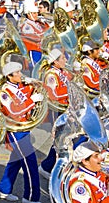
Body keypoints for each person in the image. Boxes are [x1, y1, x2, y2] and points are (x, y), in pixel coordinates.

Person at [0, 61, 44, 203]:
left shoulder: (20, 86)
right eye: (17, 73)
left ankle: (4, 190)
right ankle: (30, 198)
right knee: (30, 164)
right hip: (14, 130)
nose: (20, 75)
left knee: (15, 161)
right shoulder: (5, 91)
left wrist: (34, 83)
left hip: (24, 128)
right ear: (9, 76)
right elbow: (13, 112)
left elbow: (36, 90)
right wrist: (31, 101)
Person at [39, 48, 72, 179]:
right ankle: (46, 167)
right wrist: (71, 88)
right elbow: (55, 95)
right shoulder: (51, 75)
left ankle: (52, 165)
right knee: (59, 139)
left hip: (65, 108)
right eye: (63, 58)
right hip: (57, 109)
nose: (66, 60)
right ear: (55, 61)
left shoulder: (61, 72)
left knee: (64, 139)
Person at [69, 137, 109, 203]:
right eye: (96, 156)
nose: (101, 157)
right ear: (85, 161)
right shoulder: (80, 183)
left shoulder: (99, 171)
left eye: (100, 154)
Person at [19, 0, 49, 67]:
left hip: (42, 50)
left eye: (37, 13)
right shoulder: (26, 25)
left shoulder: (38, 23)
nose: (37, 15)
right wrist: (46, 32)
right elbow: (36, 38)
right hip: (33, 52)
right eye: (34, 13)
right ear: (29, 14)